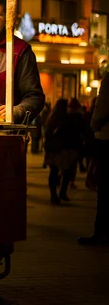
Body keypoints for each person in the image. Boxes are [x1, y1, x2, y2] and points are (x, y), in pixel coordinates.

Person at [79, 71, 109, 246]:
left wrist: (93, 126)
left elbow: (102, 109)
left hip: (106, 138)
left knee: (104, 189)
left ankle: (101, 232)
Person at [44, 99, 86, 204]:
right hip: (64, 149)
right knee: (66, 172)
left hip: (54, 150)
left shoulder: (51, 118)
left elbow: (47, 135)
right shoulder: (67, 119)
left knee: (53, 173)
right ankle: (62, 192)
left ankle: (53, 195)